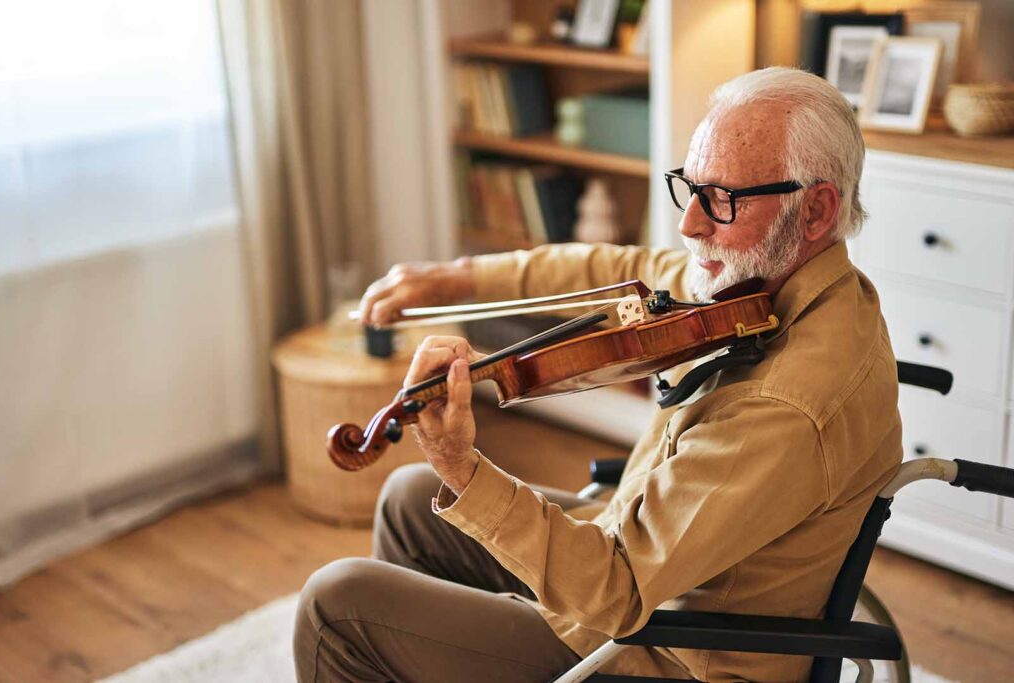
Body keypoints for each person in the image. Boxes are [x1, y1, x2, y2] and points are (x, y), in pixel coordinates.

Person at [293, 67, 902, 683]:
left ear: (816, 209)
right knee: (408, 501)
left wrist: (463, 466)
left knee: (335, 605)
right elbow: (617, 269)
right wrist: (457, 279)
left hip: (667, 650)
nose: (690, 223)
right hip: (647, 564)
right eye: (689, 188)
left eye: (723, 198)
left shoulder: (791, 400)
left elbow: (617, 587)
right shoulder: (764, 287)